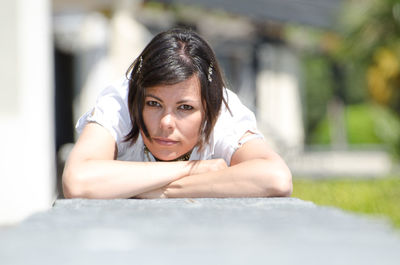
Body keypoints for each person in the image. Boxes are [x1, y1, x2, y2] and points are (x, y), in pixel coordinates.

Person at [62, 28, 292, 199]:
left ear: (207, 110)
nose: (166, 122)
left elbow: (276, 178)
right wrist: (196, 170)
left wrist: (151, 191)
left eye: (185, 108)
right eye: (153, 103)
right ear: (136, 99)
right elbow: (77, 181)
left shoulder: (222, 110)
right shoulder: (120, 102)